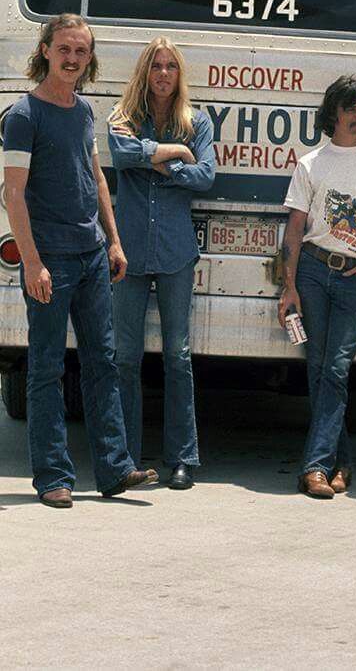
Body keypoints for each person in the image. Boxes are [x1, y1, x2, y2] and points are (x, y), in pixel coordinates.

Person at [2, 14, 158, 507]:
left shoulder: (84, 110)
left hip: (91, 255)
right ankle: (52, 478)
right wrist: (31, 262)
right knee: (46, 369)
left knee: (102, 363)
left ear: (90, 59)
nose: (72, 59)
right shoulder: (24, 116)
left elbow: (95, 179)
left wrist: (113, 241)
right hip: (50, 259)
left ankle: (114, 469)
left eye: (81, 52)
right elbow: (14, 194)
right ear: (45, 49)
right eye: (64, 49)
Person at [277, 75, 356, 498]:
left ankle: (313, 467)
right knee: (318, 368)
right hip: (312, 272)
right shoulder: (311, 163)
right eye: (352, 109)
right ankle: (338, 463)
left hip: (354, 279)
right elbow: (294, 228)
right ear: (334, 113)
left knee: (336, 368)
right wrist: (288, 287)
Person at [108, 37, 215, 491]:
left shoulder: (197, 120)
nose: (164, 74)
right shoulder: (122, 117)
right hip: (128, 252)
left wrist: (152, 161)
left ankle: (182, 459)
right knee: (125, 357)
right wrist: (174, 154)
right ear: (145, 72)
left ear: (180, 73)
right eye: (156, 66)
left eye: (171, 66)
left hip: (174, 253)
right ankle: (125, 457)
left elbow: (206, 175)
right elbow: (118, 155)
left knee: (178, 355)